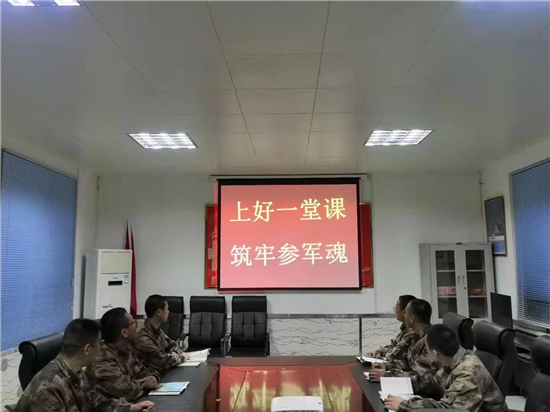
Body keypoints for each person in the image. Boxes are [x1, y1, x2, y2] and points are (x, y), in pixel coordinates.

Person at [15, 318, 154, 412]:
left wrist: (131, 408)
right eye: (99, 344)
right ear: (87, 349)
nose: (101, 349)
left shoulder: (76, 373)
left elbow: (96, 402)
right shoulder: (48, 389)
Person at [384, 324, 509, 412]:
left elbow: (449, 410)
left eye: (426, 347)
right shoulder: (454, 356)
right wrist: (393, 380)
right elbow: (433, 382)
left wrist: (405, 405)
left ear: (435, 352)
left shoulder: (467, 374)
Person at [369, 299, 445, 399]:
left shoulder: (430, 341)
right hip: (415, 388)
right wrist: (387, 367)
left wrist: (387, 376)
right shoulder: (416, 336)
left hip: (428, 395)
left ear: (412, 318)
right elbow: (406, 361)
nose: (403, 316)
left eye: (405, 313)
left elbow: (420, 378)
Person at [87, 308, 161, 402]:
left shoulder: (127, 349)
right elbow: (126, 392)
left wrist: (152, 377)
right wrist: (146, 385)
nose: (138, 326)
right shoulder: (102, 359)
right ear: (124, 332)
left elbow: (143, 371)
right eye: (134, 322)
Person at [136, 295, 189, 372]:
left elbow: (173, 345)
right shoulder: (143, 336)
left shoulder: (157, 330)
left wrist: (174, 353)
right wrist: (183, 357)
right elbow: (162, 362)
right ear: (159, 312)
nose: (168, 312)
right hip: (149, 375)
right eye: (167, 309)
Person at [368, 294, 417, 365]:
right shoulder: (404, 328)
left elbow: (393, 355)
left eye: (396, 307)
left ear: (405, 311)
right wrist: (379, 352)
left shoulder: (412, 332)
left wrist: (382, 356)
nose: (395, 311)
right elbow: (394, 345)